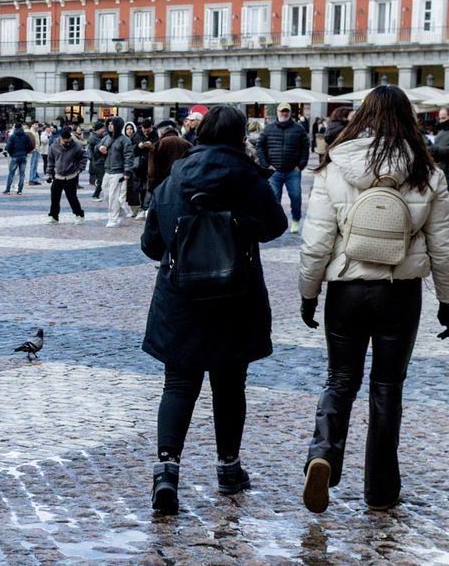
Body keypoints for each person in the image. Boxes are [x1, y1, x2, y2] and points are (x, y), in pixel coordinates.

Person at [298, 85, 449, 514]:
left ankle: (323, 453)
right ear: (409, 120)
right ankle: (381, 488)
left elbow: (316, 242)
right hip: (400, 293)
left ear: (361, 116)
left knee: (340, 379)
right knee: (387, 387)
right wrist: (447, 300)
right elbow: (443, 245)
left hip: (346, 289)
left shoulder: (335, 166)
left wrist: (309, 294)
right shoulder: (427, 171)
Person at [140, 105, 288, 515]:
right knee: (229, 384)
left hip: (181, 296)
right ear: (241, 135)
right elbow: (277, 227)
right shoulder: (248, 178)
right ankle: (228, 468)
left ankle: (166, 472)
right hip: (235, 296)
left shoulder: (174, 179)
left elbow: (151, 245)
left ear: (201, 132)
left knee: (179, 384)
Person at [257, 102, 311, 234]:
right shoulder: (268, 129)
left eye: (286, 111)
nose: (284, 113)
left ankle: (296, 220)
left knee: (296, 196)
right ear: (277, 112)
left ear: (290, 113)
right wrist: (266, 165)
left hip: (293, 170)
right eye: (282, 111)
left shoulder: (298, 129)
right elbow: (260, 146)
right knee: (274, 199)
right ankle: (275, 223)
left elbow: (305, 147)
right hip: (274, 171)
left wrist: (301, 165)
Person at [46, 129, 86, 224]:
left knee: (72, 197)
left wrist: (80, 169)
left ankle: (79, 215)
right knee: (54, 197)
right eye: (65, 141)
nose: (67, 143)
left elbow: (84, 156)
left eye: (69, 141)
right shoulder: (53, 147)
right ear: (61, 139)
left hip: (71, 176)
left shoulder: (76, 146)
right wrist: (49, 173)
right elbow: (50, 161)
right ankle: (54, 216)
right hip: (58, 176)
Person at [101, 116, 135, 227]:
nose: (110, 126)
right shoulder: (106, 138)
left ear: (118, 125)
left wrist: (127, 171)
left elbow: (129, 156)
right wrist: (99, 148)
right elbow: (97, 146)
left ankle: (113, 219)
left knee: (113, 196)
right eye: (109, 124)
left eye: (112, 124)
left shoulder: (125, 140)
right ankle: (121, 211)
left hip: (118, 172)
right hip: (107, 170)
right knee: (106, 194)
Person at [147, 123, 192, 194]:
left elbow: (152, 169)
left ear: (161, 133)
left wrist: (151, 186)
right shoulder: (187, 144)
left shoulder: (158, 144)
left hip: (162, 184)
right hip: (182, 183)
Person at [132, 119, 159, 218]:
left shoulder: (155, 134)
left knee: (150, 187)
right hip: (139, 166)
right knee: (140, 188)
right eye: (144, 129)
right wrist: (139, 146)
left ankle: (146, 207)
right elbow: (132, 149)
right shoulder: (137, 134)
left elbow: (158, 145)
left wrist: (152, 145)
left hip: (152, 165)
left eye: (148, 129)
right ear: (141, 127)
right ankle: (141, 208)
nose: (146, 131)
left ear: (151, 127)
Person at [2, 122, 35, 195]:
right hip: (23, 156)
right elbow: (31, 146)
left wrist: (11, 153)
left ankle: (8, 190)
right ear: (21, 127)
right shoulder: (26, 136)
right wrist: (26, 151)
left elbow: (8, 147)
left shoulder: (13, 136)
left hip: (14, 156)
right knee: (22, 174)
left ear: (15, 128)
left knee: (11, 173)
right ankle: (20, 190)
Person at [87, 122, 107, 199]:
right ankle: (95, 195)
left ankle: (98, 194)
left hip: (100, 161)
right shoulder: (93, 138)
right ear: (98, 129)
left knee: (102, 179)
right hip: (98, 162)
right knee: (101, 179)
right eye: (102, 128)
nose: (104, 130)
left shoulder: (99, 136)